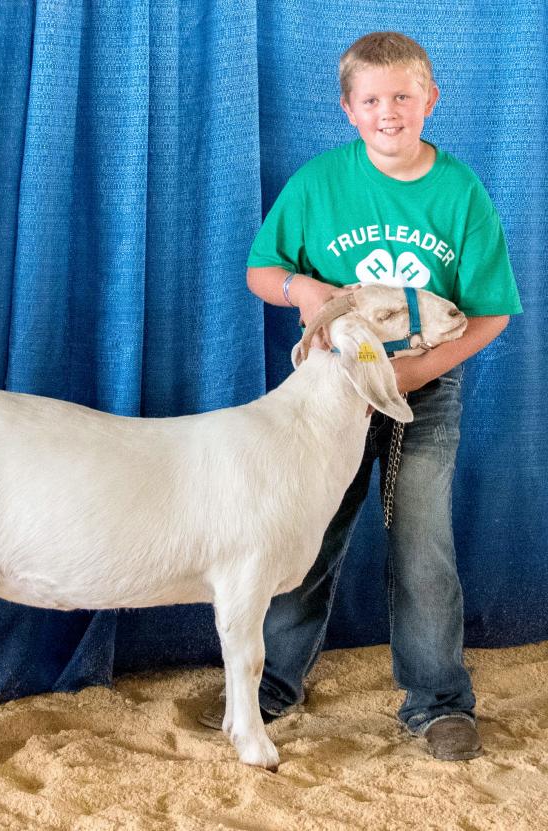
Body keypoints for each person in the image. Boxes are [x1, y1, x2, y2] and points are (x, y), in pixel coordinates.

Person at [198, 31, 522, 761]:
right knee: (301, 535)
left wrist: (413, 372)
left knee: (422, 539)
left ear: (430, 101)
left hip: (419, 389)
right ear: (348, 109)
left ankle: (437, 698)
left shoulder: (460, 191)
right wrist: (301, 289)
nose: (389, 111)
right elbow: (262, 268)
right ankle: (271, 683)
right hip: (324, 394)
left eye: (404, 96)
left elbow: (493, 310)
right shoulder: (318, 183)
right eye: (372, 99)